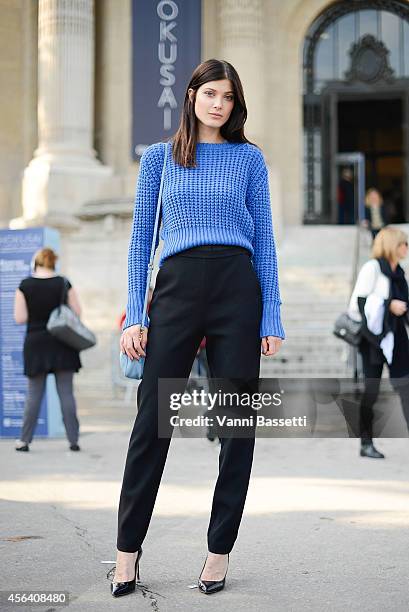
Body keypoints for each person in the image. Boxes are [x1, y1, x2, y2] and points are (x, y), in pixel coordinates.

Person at [110, 58, 285, 598]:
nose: (218, 103)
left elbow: (266, 244)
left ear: (235, 105)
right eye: (211, 93)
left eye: (228, 96)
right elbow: (142, 241)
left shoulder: (249, 159)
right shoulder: (160, 158)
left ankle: (217, 553)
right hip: (178, 288)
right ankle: (126, 554)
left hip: (237, 290)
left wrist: (271, 315)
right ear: (190, 96)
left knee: (237, 427)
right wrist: (135, 314)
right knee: (151, 423)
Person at [13, 248, 83, 452]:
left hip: (36, 343)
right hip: (63, 342)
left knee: (34, 394)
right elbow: (77, 312)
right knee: (66, 393)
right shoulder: (63, 282)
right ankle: (73, 440)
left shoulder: (24, 285)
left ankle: (24, 441)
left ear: (36, 262)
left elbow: (19, 318)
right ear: (54, 263)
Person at [348, 226, 409, 458]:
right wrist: (388, 303)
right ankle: (366, 443)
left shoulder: (399, 272)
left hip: (397, 337)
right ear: (393, 245)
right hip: (373, 339)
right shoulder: (372, 268)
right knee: (371, 391)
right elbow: (360, 302)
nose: (406, 248)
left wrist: (399, 305)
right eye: (403, 243)